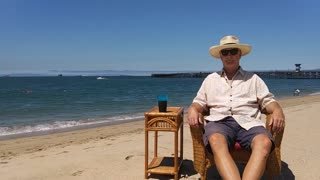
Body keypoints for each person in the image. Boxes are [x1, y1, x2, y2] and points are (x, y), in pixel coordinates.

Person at [188, 35, 285, 180]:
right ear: (220, 56)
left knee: (264, 143)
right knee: (215, 140)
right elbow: (199, 102)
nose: (229, 56)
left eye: (233, 51)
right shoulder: (210, 80)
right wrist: (193, 109)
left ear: (240, 54)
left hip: (249, 123)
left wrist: (277, 110)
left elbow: (268, 101)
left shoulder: (253, 78)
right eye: (225, 52)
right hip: (219, 122)